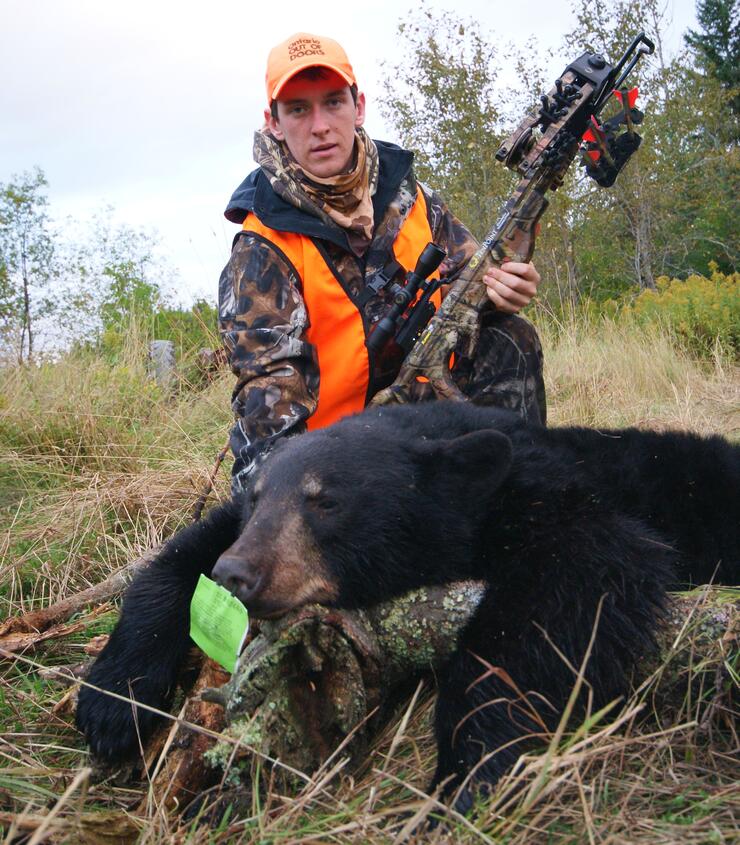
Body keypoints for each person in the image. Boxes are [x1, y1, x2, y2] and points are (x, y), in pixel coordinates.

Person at [219, 32, 546, 492]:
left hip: (421, 413)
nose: (320, 125)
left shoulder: (410, 197)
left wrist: (506, 290)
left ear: (360, 107)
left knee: (509, 337)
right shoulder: (262, 246)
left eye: (333, 103)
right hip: (328, 456)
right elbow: (270, 401)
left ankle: (522, 511)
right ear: (273, 122)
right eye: (298, 109)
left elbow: (471, 287)